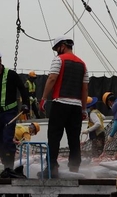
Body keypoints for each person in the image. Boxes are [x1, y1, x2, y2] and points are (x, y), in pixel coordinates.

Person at [40, 35, 88, 177]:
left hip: (60, 103)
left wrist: (43, 98)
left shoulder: (59, 60)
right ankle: (74, 169)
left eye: (57, 49)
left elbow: (52, 78)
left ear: (62, 46)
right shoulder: (82, 64)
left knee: (54, 137)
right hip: (76, 107)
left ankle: (52, 168)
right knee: (74, 139)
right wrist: (84, 109)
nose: (56, 52)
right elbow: (85, 89)